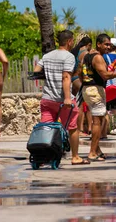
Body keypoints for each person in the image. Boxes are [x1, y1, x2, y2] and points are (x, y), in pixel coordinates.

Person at [33, 30, 89, 165]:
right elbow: (66, 77)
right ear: (70, 41)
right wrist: (68, 98)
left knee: (46, 127)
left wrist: (50, 77)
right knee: (72, 127)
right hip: (63, 100)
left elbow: (36, 71)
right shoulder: (68, 57)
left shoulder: (47, 56)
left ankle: (43, 156)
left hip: (47, 98)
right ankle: (75, 157)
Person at [78, 33, 116, 161]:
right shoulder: (98, 58)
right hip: (95, 90)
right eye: (106, 44)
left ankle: (97, 150)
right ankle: (92, 152)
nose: (108, 47)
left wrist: (85, 83)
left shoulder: (86, 56)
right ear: (98, 44)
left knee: (98, 120)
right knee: (97, 122)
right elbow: (105, 75)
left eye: (109, 45)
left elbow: (79, 72)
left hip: (87, 89)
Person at [71, 35, 93, 135]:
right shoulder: (85, 53)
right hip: (80, 80)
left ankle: (78, 128)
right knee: (84, 105)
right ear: (88, 44)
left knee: (77, 104)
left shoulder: (75, 51)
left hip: (73, 79)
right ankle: (80, 129)